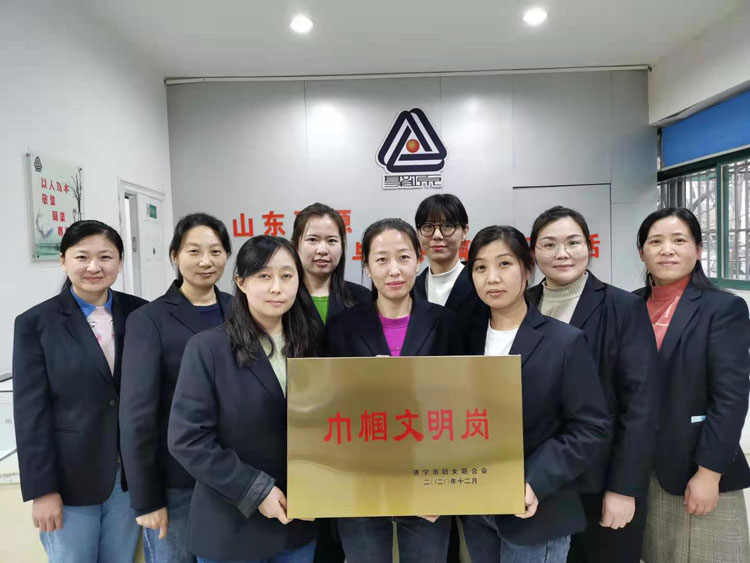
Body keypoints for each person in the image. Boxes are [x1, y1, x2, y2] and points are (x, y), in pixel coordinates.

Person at [460, 225, 610, 563]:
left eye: (504, 264)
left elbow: (590, 427)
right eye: (480, 268)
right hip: (478, 508)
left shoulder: (564, 342)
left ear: (528, 269)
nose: (492, 278)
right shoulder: (465, 338)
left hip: (536, 509)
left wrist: (536, 480)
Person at [168, 235, 322, 562]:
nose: (277, 287)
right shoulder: (209, 348)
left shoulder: (312, 344)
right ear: (241, 281)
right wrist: (256, 490)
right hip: (232, 528)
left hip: (297, 525)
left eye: (287, 275)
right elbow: (187, 439)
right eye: (264, 276)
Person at [526, 206, 657, 563]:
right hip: (539, 480)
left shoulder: (623, 307)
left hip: (601, 481)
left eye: (573, 242)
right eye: (549, 244)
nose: (562, 253)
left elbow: (641, 405)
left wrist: (624, 488)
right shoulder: (522, 304)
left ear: (589, 246)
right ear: (534, 251)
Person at [325, 218, 460, 563]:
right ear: (367, 267)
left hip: (427, 478)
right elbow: (330, 403)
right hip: (361, 481)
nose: (394, 270)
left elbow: (460, 402)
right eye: (382, 260)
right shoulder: (342, 327)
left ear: (418, 259)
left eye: (403, 257)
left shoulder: (445, 323)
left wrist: (445, 485)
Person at [13, 220, 147, 562]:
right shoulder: (36, 323)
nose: (94, 267)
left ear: (119, 262)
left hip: (129, 477)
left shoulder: (142, 313)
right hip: (69, 481)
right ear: (63, 261)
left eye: (106, 257)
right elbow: (30, 414)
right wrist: (43, 491)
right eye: (82, 257)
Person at [635, 207, 750, 562]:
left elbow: (730, 398)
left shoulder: (723, 308)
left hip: (696, 470)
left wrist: (709, 473)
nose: (667, 250)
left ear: (698, 249)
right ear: (642, 252)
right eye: (656, 241)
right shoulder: (630, 305)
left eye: (679, 240)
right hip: (643, 469)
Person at [120, 213, 233, 563]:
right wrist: (147, 498)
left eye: (215, 251)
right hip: (176, 483)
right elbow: (136, 414)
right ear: (175, 255)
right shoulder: (149, 320)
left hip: (231, 477)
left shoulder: (241, 309)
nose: (205, 261)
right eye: (194, 251)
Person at [291, 202, 370, 328]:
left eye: (331, 241)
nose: (322, 250)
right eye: (312, 240)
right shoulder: (283, 298)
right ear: (295, 246)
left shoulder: (362, 297)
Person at [413, 194, 484, 326]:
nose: (437, 235)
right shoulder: (411, 290)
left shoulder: (480, 283)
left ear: (464, 231)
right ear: (418, 233)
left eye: (447, 226)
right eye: (427, 227)